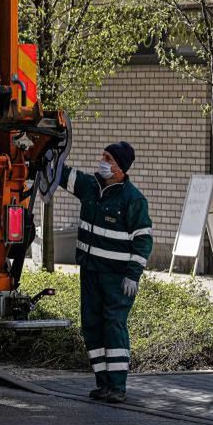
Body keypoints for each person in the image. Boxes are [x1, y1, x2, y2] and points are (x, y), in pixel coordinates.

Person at [60, 141, 152, 404]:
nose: (102, 161)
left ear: (120, 168)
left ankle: (117, 386)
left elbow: (143, 240)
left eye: (108, 158)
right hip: (90, 272)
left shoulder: (133, 199)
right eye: (103, 156)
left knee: (113, 326)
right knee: (91, 325)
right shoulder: (90, 186)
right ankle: (102, 383)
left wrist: (133, 275)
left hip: (117, 278)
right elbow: (61, 174)